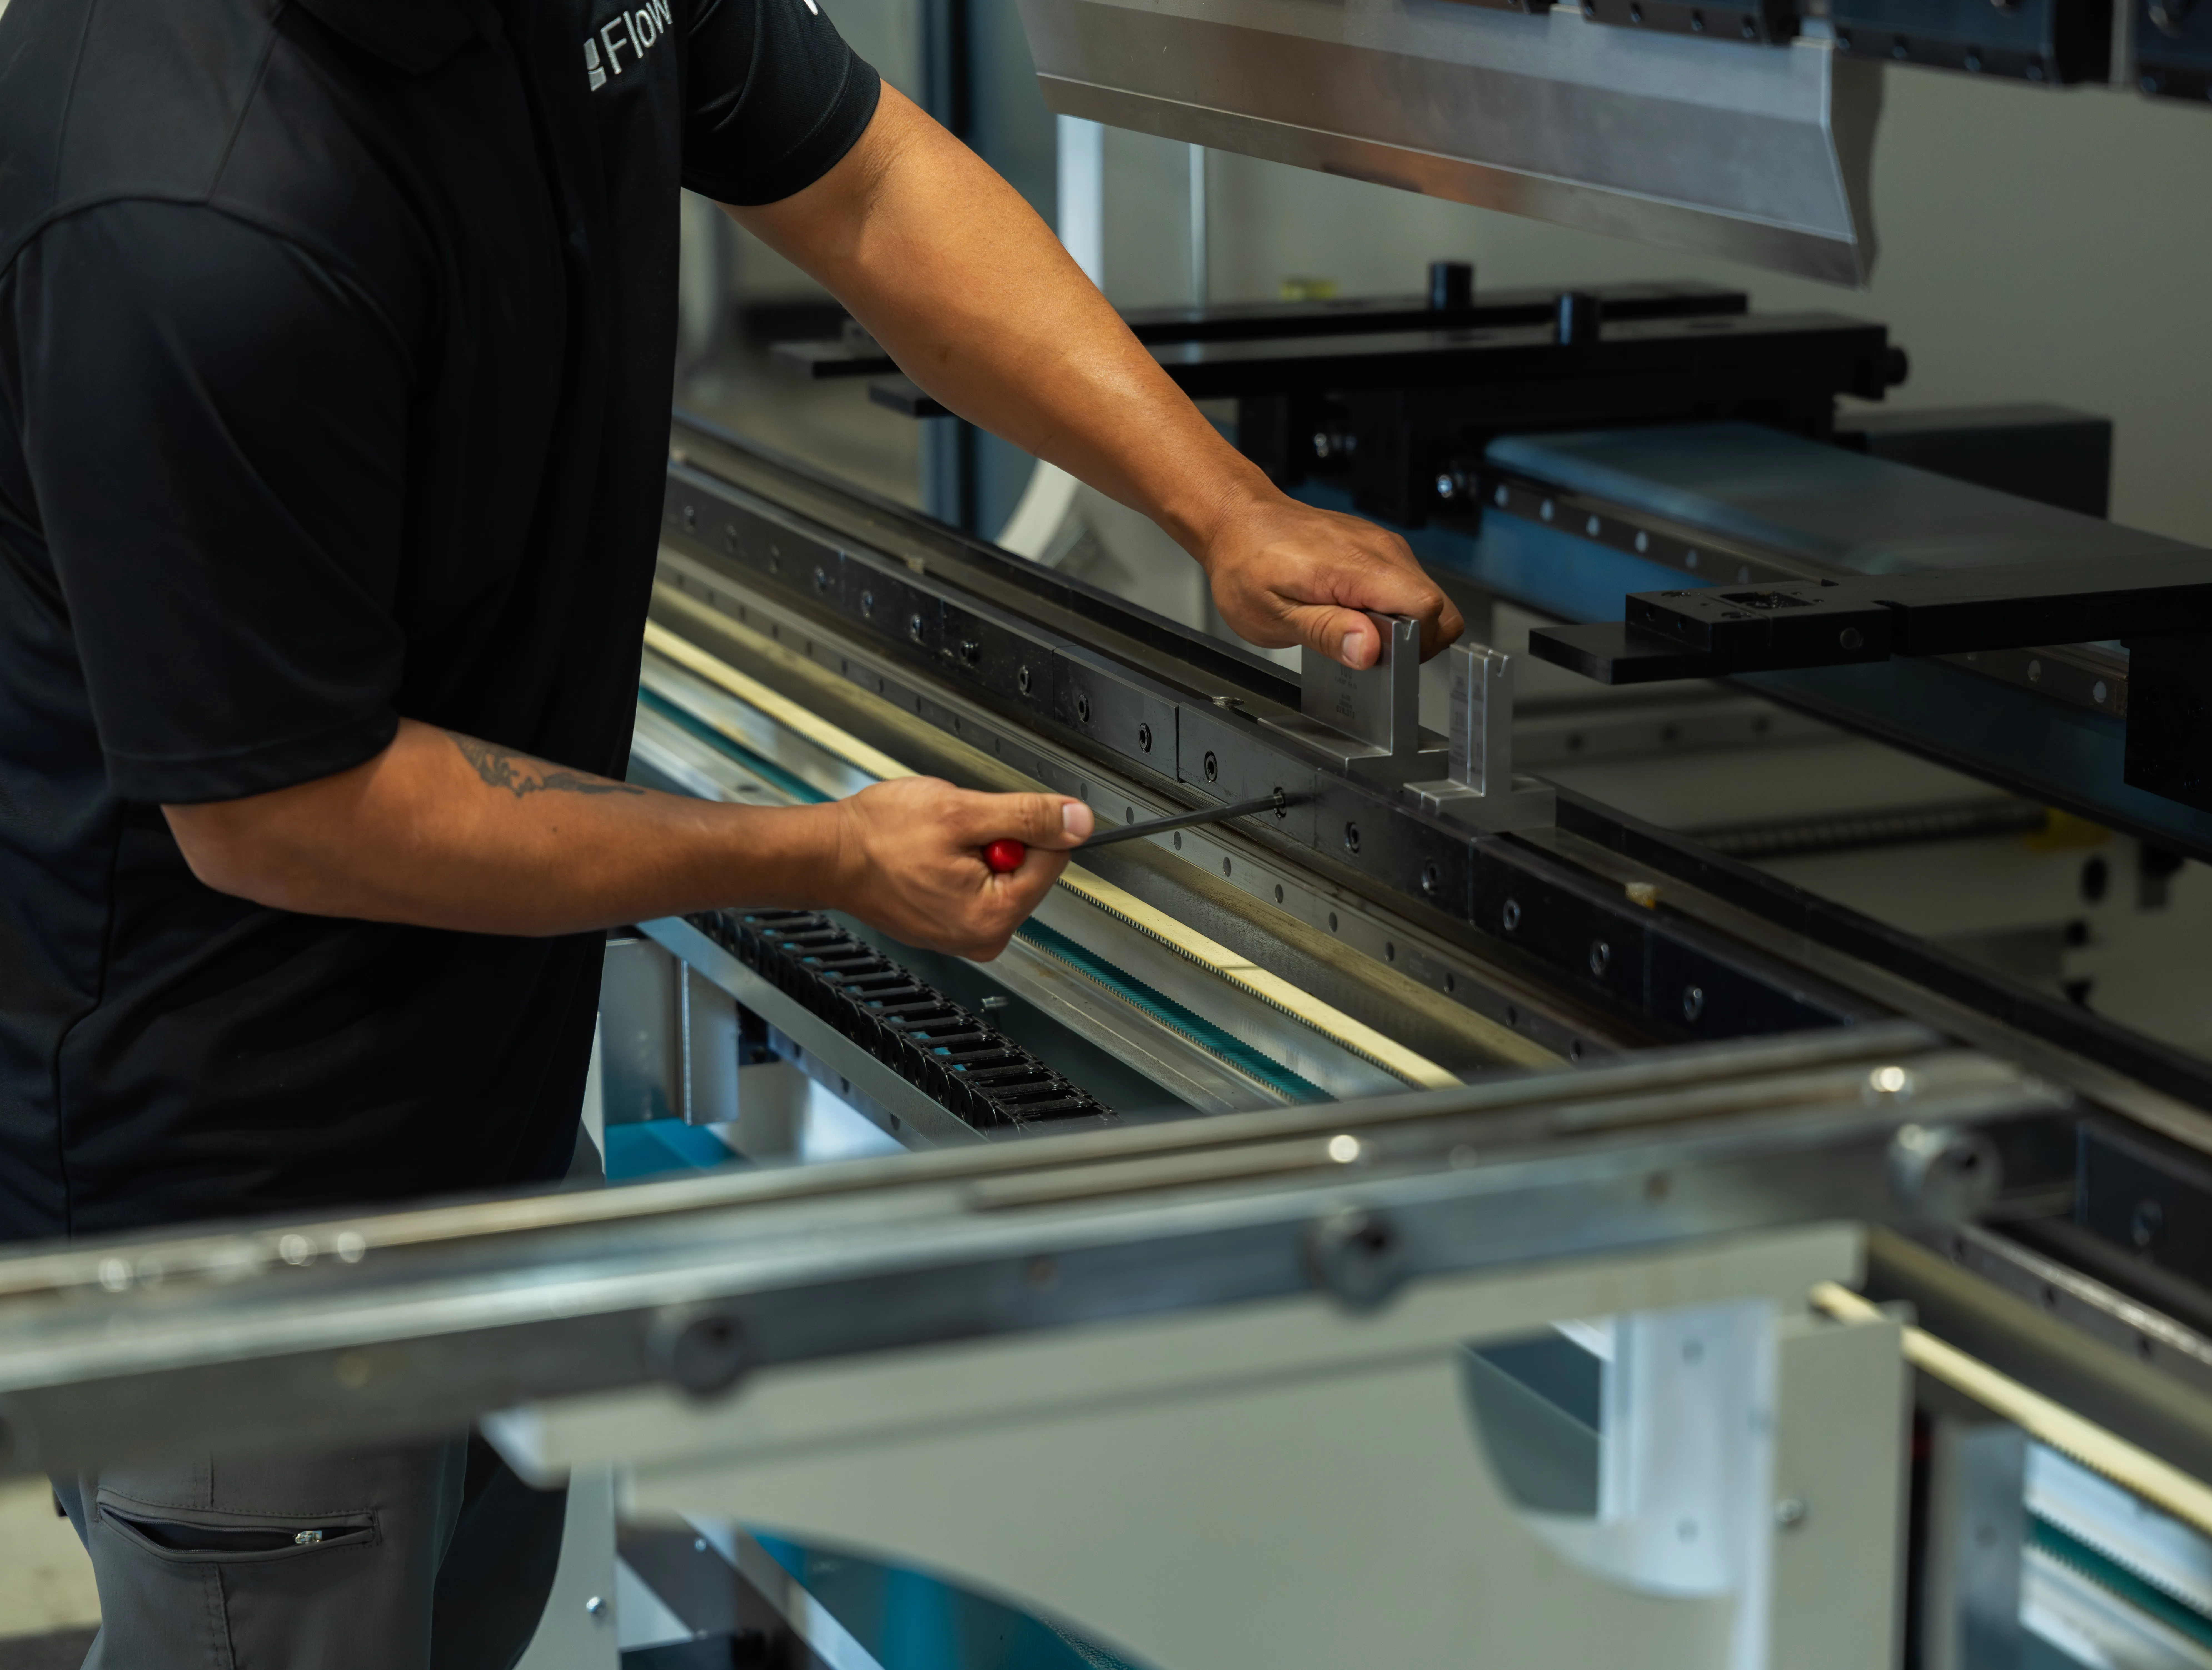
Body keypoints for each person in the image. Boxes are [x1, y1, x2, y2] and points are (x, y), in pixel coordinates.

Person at [0, 0, 1464, 1662]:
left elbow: (861, 185)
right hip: (241, 1212)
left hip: (479, 1103)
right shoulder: (190, 213)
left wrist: (1221, 504)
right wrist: (819, 856)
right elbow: (284, 814)